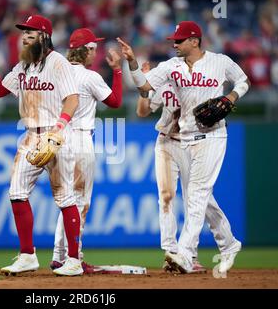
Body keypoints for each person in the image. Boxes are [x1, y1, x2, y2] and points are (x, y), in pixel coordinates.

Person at [118, 20, 249, 274]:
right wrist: (133, 63)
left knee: (196, 196)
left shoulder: (220, 62)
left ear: (195, 41)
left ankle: (186, 254)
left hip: (212, 136)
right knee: (202, 198)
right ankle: (229, 243)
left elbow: (243, 81)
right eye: (174, 40)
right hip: (182, 139)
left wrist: (231, 96)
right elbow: (143, 87)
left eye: (179, 40)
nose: (174, 44)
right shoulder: (171, 66)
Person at [0, 15, 83, 276]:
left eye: (30, 32)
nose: (24, 36)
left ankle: (73, 260)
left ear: (44, 36)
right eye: (23, 32)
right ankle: (27, 255)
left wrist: (59, 129)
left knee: (65, 197)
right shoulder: (23, 66)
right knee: (16, 192)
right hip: (29, 136)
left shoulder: (58, 63)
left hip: (56, 134)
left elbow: (72, 99)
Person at [136, 62, 240, 274]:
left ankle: (225, 243)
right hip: (166, 143)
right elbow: (142, 112)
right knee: (165, 197)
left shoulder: (199, 87)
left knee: (201, 199)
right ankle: (172, 252)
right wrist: (144, 90)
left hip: (191, 144)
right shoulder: (164, 84)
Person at [48, 28, 123, 272]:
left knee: (66, 200)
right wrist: (117, 71)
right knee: (79, 202)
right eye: (94, 48)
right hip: (79, 138)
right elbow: (115, 102)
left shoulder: (56, 71)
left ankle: (60, 256)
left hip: (57, 138)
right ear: (86, 50)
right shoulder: (89, 76)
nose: (96, 53)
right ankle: (74, 257)